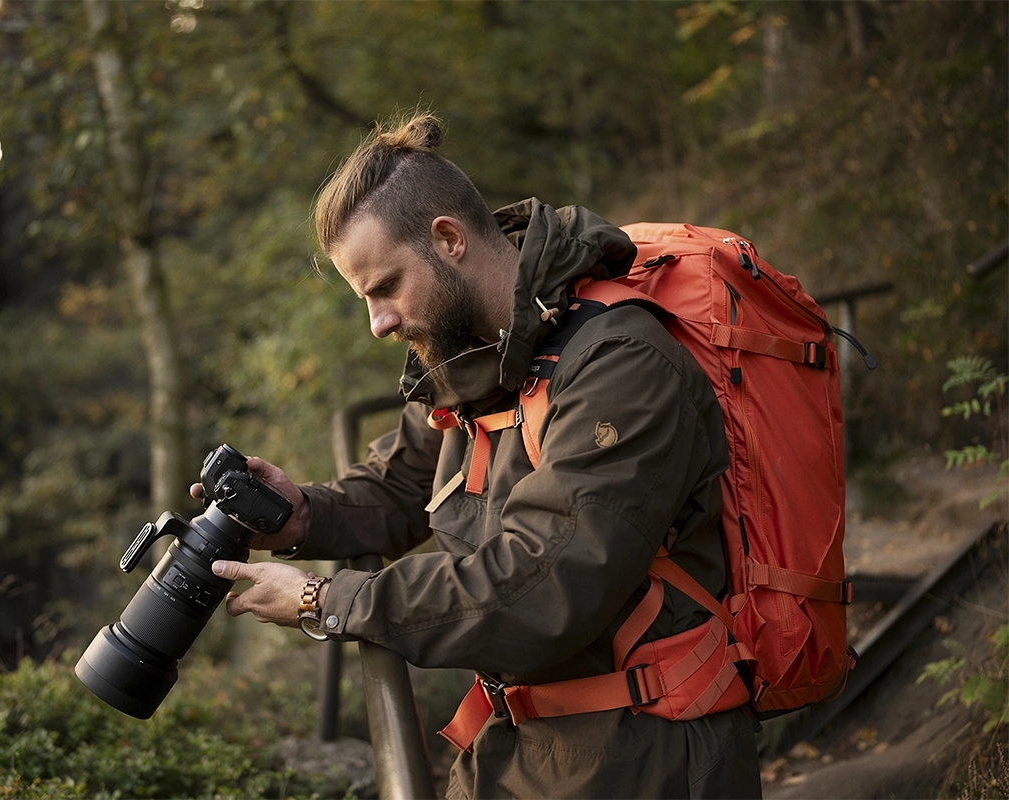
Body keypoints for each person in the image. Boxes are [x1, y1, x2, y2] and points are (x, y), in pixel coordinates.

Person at [200, 113, 763, 799]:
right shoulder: (475, 352)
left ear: (448, 239)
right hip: (516, 748)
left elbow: (539, 584)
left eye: (383, 288)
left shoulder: (621, 366)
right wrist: (298, 515)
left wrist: (329, 600)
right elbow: (401, 485)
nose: (376, 323)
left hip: (646, 755)